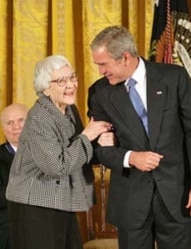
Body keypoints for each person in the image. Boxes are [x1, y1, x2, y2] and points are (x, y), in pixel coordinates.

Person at [87, 25, 191, 249]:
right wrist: (130, 157)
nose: (100, 71)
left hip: (176, 195)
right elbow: (100, 149)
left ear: (125, 57)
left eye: (103, 64)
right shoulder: (99, 93)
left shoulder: (174, 78)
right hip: (131, 200)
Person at [6, 55, 114, 249]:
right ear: (45, 88)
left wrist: (100, 143)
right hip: (35, 204)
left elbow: (77, 150)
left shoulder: (69, 109)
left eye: (72, 77)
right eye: (61, 81)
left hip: (62, 199)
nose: (70, 85)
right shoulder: (39, 117)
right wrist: (87, 136)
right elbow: (57, 166)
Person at [0, 103, 28, 249]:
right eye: (10, 123)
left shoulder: (48, 151)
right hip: (11, 225)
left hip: (47, 222)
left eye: (21, 120)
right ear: (4, 129)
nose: (16, 127)